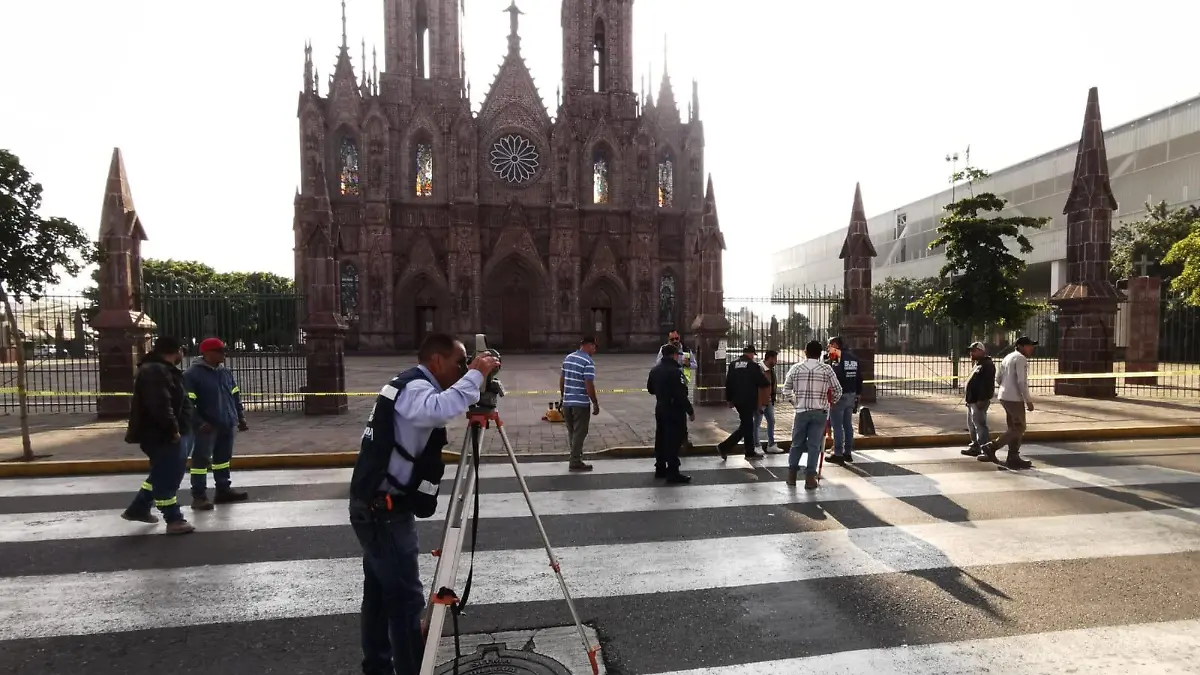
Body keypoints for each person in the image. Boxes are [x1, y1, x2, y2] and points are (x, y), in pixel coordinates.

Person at [348, 333, 499, 675]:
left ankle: (377, 666)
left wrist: (472, 379)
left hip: (375, 506)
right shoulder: (416, 388)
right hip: (383, 512)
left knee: (378, 597)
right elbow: (438, 409)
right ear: (436, 361)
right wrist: (477, 373)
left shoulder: (407, 384)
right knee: (405, 603)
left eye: (467, 363)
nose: (463, 368)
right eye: (460, 362)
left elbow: (436, 411)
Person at [121, 336, 196, 535]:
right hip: (163, 434)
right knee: (168, 478)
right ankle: (173, 519)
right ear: (176, 350)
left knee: (161, 472)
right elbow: (160, 405)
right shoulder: (155, 370)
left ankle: (139, 507)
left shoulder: (161, 368)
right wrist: (172, 429)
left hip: (173, 432)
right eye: (182, 350)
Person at [184, 337, 249, 509]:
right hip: (207, 426)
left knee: (223, 459)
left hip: (227, 423)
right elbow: (187, 403)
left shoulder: (224, 372)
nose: (223, 354)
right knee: (201, 461)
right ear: (207, 353)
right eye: (219, 351)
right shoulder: (192, 375)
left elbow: (234, 394)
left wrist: (240, 416)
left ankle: (223, 489)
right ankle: (199, 496)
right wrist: (199, 422)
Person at [782, 340, 843, 489]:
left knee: (796, 444)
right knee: (814, 446)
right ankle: (810, 478)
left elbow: (786, 390)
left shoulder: (796, 368)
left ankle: (792, 476)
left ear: (805, 351)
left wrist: (796, 402)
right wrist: (831, 402)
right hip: (819, 412)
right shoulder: (826, 369)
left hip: (802, 411)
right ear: (820, 353)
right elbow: (838, 390)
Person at [979, 336, 1036, 469]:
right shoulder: (1021, 359)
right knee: (1020, 427)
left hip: (1004, 396)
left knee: (1014, 428)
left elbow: (998, 378)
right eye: (1029, 345)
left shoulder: (1008, 357)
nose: (1031, 348)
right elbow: (1022, 382)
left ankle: (1013, 456)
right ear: (1020, 346)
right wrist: (1028, 400)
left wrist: (1005, 386)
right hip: (1014, 397)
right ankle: (992, 446)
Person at [648, 342, 695, 483]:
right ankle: (673, 472)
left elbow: (650, 389)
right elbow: (681, 394)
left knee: (661, 438)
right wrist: (690, 411)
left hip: (660, 407)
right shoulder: (676, 371)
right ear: (674, 355)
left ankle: (660, 467)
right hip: (674, 410)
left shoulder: (655, 370)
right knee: (674, 440)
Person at [717, 343, 770, 460]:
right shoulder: (753, 366)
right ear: (751, 354)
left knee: (746, 425)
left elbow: (728, 383)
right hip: (749, 399)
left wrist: (729, 399)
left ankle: (747, 450)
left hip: (737, 400)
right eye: (753, 355)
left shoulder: (733, 364)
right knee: (747, 425)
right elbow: (764, 382)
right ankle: (726, 447)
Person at [560, 336, 599, 472]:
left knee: (572, 432)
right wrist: (594, 402)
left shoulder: (568, 358)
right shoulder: (588, 362)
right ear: (588, 345)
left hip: (567, 402)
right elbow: (589, 384)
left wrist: (562, 396)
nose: (595, 350)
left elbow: (562, 379)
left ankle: (576, 456)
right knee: (580, 432)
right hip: (580, 403)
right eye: (594, 346)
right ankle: (575, 460)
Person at [824, 336, 863, 464]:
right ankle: (848, 452)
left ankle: (838, 453)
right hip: (851, 394)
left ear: (835, 345)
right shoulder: (853, 357)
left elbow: (834, 377)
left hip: (839, 395)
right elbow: (859, 377)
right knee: (848, 425)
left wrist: (832, 396)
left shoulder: (836, 357)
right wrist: (858, 393)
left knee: (837, 426)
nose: (828, 348)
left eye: (829, 345)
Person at [655, 330, 696, 449]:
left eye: (676, 339)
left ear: (680, 338)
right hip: (668, 385)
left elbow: (695, 365)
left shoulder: (686, 350)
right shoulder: (664, 349)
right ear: (668, 340)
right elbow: (657, 363)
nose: (675, 341)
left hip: (682, 383)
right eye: (672, 339)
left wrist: (687, 364)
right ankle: (669, 442)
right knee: (667, 415)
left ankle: (684, 439)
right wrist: (669, 360)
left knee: (681, 415)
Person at [961, 341, 996, 457]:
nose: (971, 353)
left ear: (981, 351)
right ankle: (975, 446)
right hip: (971, 400)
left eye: (974, 351)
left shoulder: (987, 365)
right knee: (972, 425)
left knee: (980, 425)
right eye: (971, 351)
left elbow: (986, 385)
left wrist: (982, 399)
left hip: (978, 401)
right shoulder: (978, 364)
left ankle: (986, 449)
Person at [754, 350, 782, 453]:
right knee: (757, 423)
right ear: (769, 358)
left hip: (769, 400)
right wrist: (759, 402)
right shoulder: (759, 369)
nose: (776, 361)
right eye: (775, 359)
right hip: (760, 401)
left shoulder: (771, 370)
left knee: (771, 421)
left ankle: (771, 444)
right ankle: (756, 445)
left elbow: (772, 384)